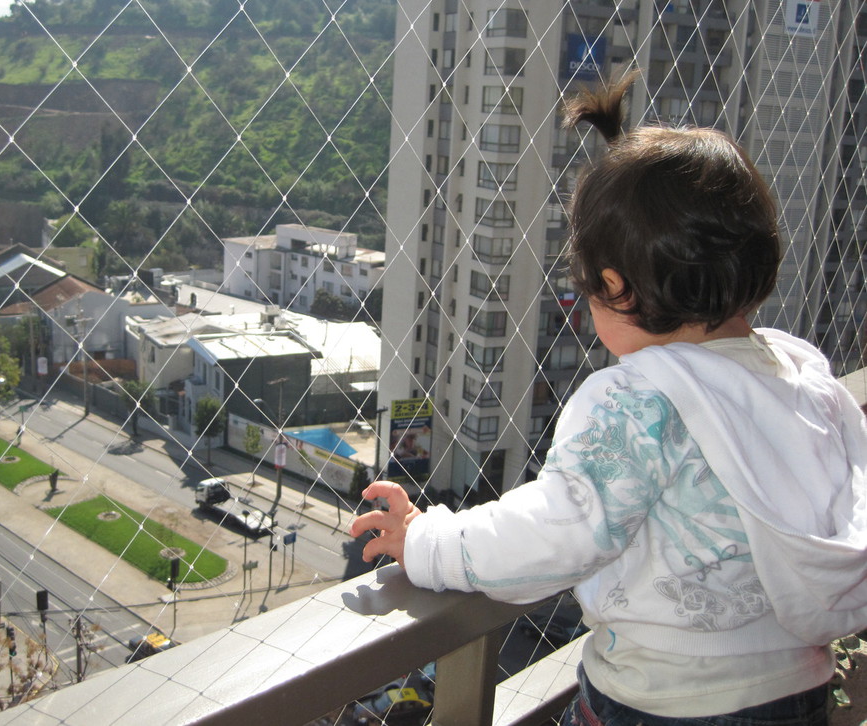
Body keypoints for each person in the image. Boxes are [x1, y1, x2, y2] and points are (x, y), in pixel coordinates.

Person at [350, 71, 867, 725]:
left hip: (663, 704)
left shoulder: (637, 399)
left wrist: (426, 540)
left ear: (614, 287)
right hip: (796, 693)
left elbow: (557, 532)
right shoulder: (802, 379)